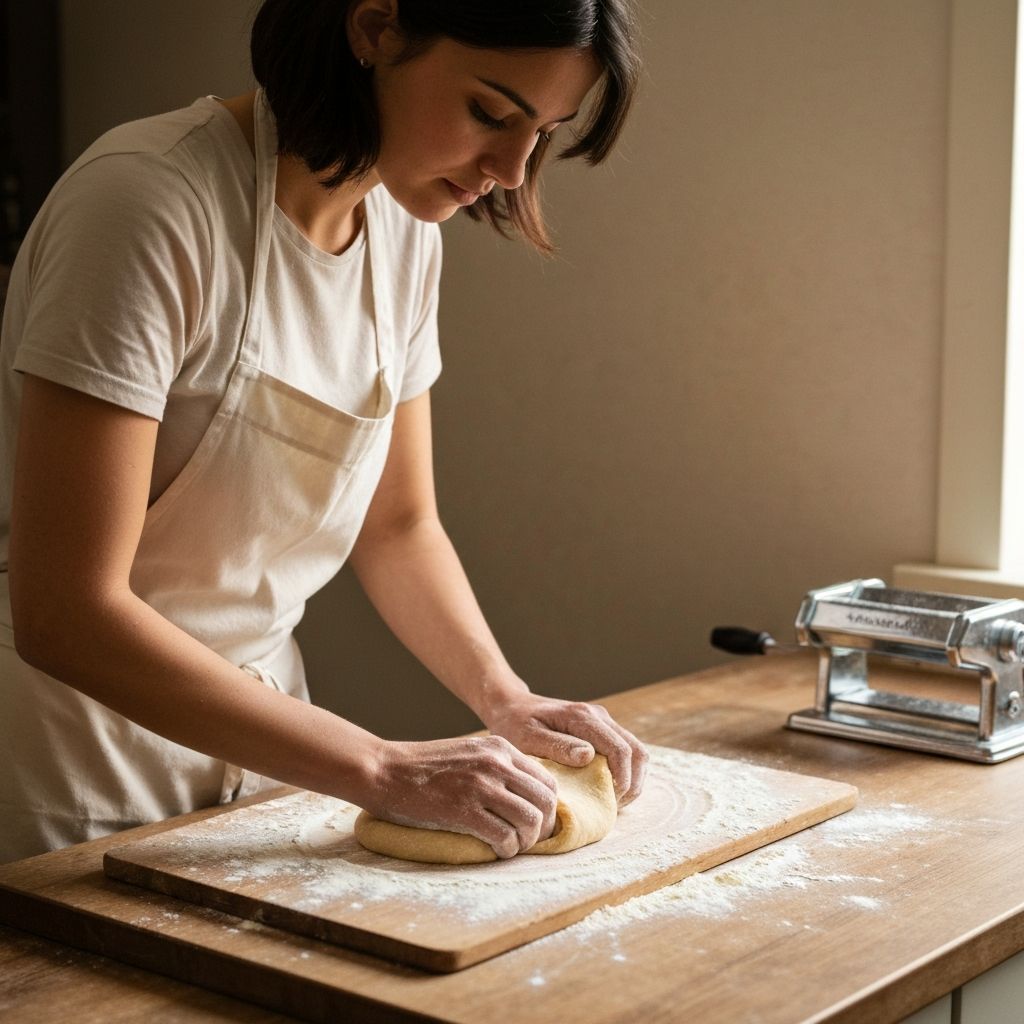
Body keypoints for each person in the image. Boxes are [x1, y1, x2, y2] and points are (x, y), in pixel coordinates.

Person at [0, 0, 648, 864]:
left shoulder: (402, 231)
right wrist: (379, 767)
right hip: (72, 771)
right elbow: (66, 611)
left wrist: (505, 697)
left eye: (543, 134)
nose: (508, 169)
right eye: (490, 113)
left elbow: (399, 526)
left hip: (267, 756)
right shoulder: (146, 204)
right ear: (375, 29)